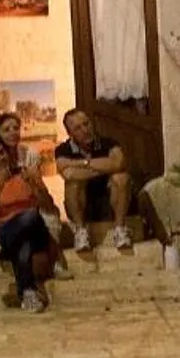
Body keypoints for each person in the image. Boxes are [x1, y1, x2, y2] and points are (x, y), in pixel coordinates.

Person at [0, 134, 56, 313]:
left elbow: (48, 207)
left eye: (2, 152)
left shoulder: (24, 174)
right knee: (22, 242)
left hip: (36, 231)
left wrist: (34, 183)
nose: (1, 157)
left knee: (30, 215)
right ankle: (28, 292)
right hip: (8, 237)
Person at [55, 108, 136, 252]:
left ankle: (120, 229)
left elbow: (119, 163)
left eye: (86, 124)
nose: (85, 130)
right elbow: (69, 175)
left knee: (121, 177)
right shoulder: (62, 150)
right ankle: (80, 232)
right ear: (70, 133)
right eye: (78, 128)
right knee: (73, 184)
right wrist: (105, 167)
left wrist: (83, 163)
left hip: (110, 202)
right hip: (81, 205)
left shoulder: (108, 143)